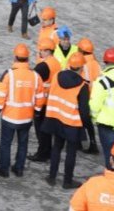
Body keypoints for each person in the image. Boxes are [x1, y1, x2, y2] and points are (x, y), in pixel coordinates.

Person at [0, 43, 45, 178]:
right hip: (26, 118)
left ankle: (4, 169)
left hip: (10, 116)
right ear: (28, 58)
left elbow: (0, 93)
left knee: (6, 143)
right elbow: (40, 96)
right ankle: (19, 168)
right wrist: (37, 110)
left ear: (15, 57)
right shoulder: (35, 76)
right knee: (23, 143)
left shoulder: (9, 74)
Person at [43, 51, 90, 189]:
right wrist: (86, 126)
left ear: (69, 64)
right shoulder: (83, 86)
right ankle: (67, 181)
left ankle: (52, 177)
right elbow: (84, 111)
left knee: (56, 147)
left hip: (56, 118)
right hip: (72, 123)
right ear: (82, 67)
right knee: (71, 152)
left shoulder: (57, 76)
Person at [29, 40, 62, 163]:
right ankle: (47, 152)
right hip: (52, 101)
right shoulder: (56, 63)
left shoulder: (43, 66)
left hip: (42, 102)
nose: (40, 52)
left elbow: (32, 80)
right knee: (47, 130)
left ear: (48, 51)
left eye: (42, 50)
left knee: (41, 130)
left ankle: (42, 153)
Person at [76, 38, 101, 155]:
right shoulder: (96, 63)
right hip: (95, 97)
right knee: (88, 122)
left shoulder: (82, 64)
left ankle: (79, 142)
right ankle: (92, 142)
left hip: (84, 97)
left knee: (80, 120)